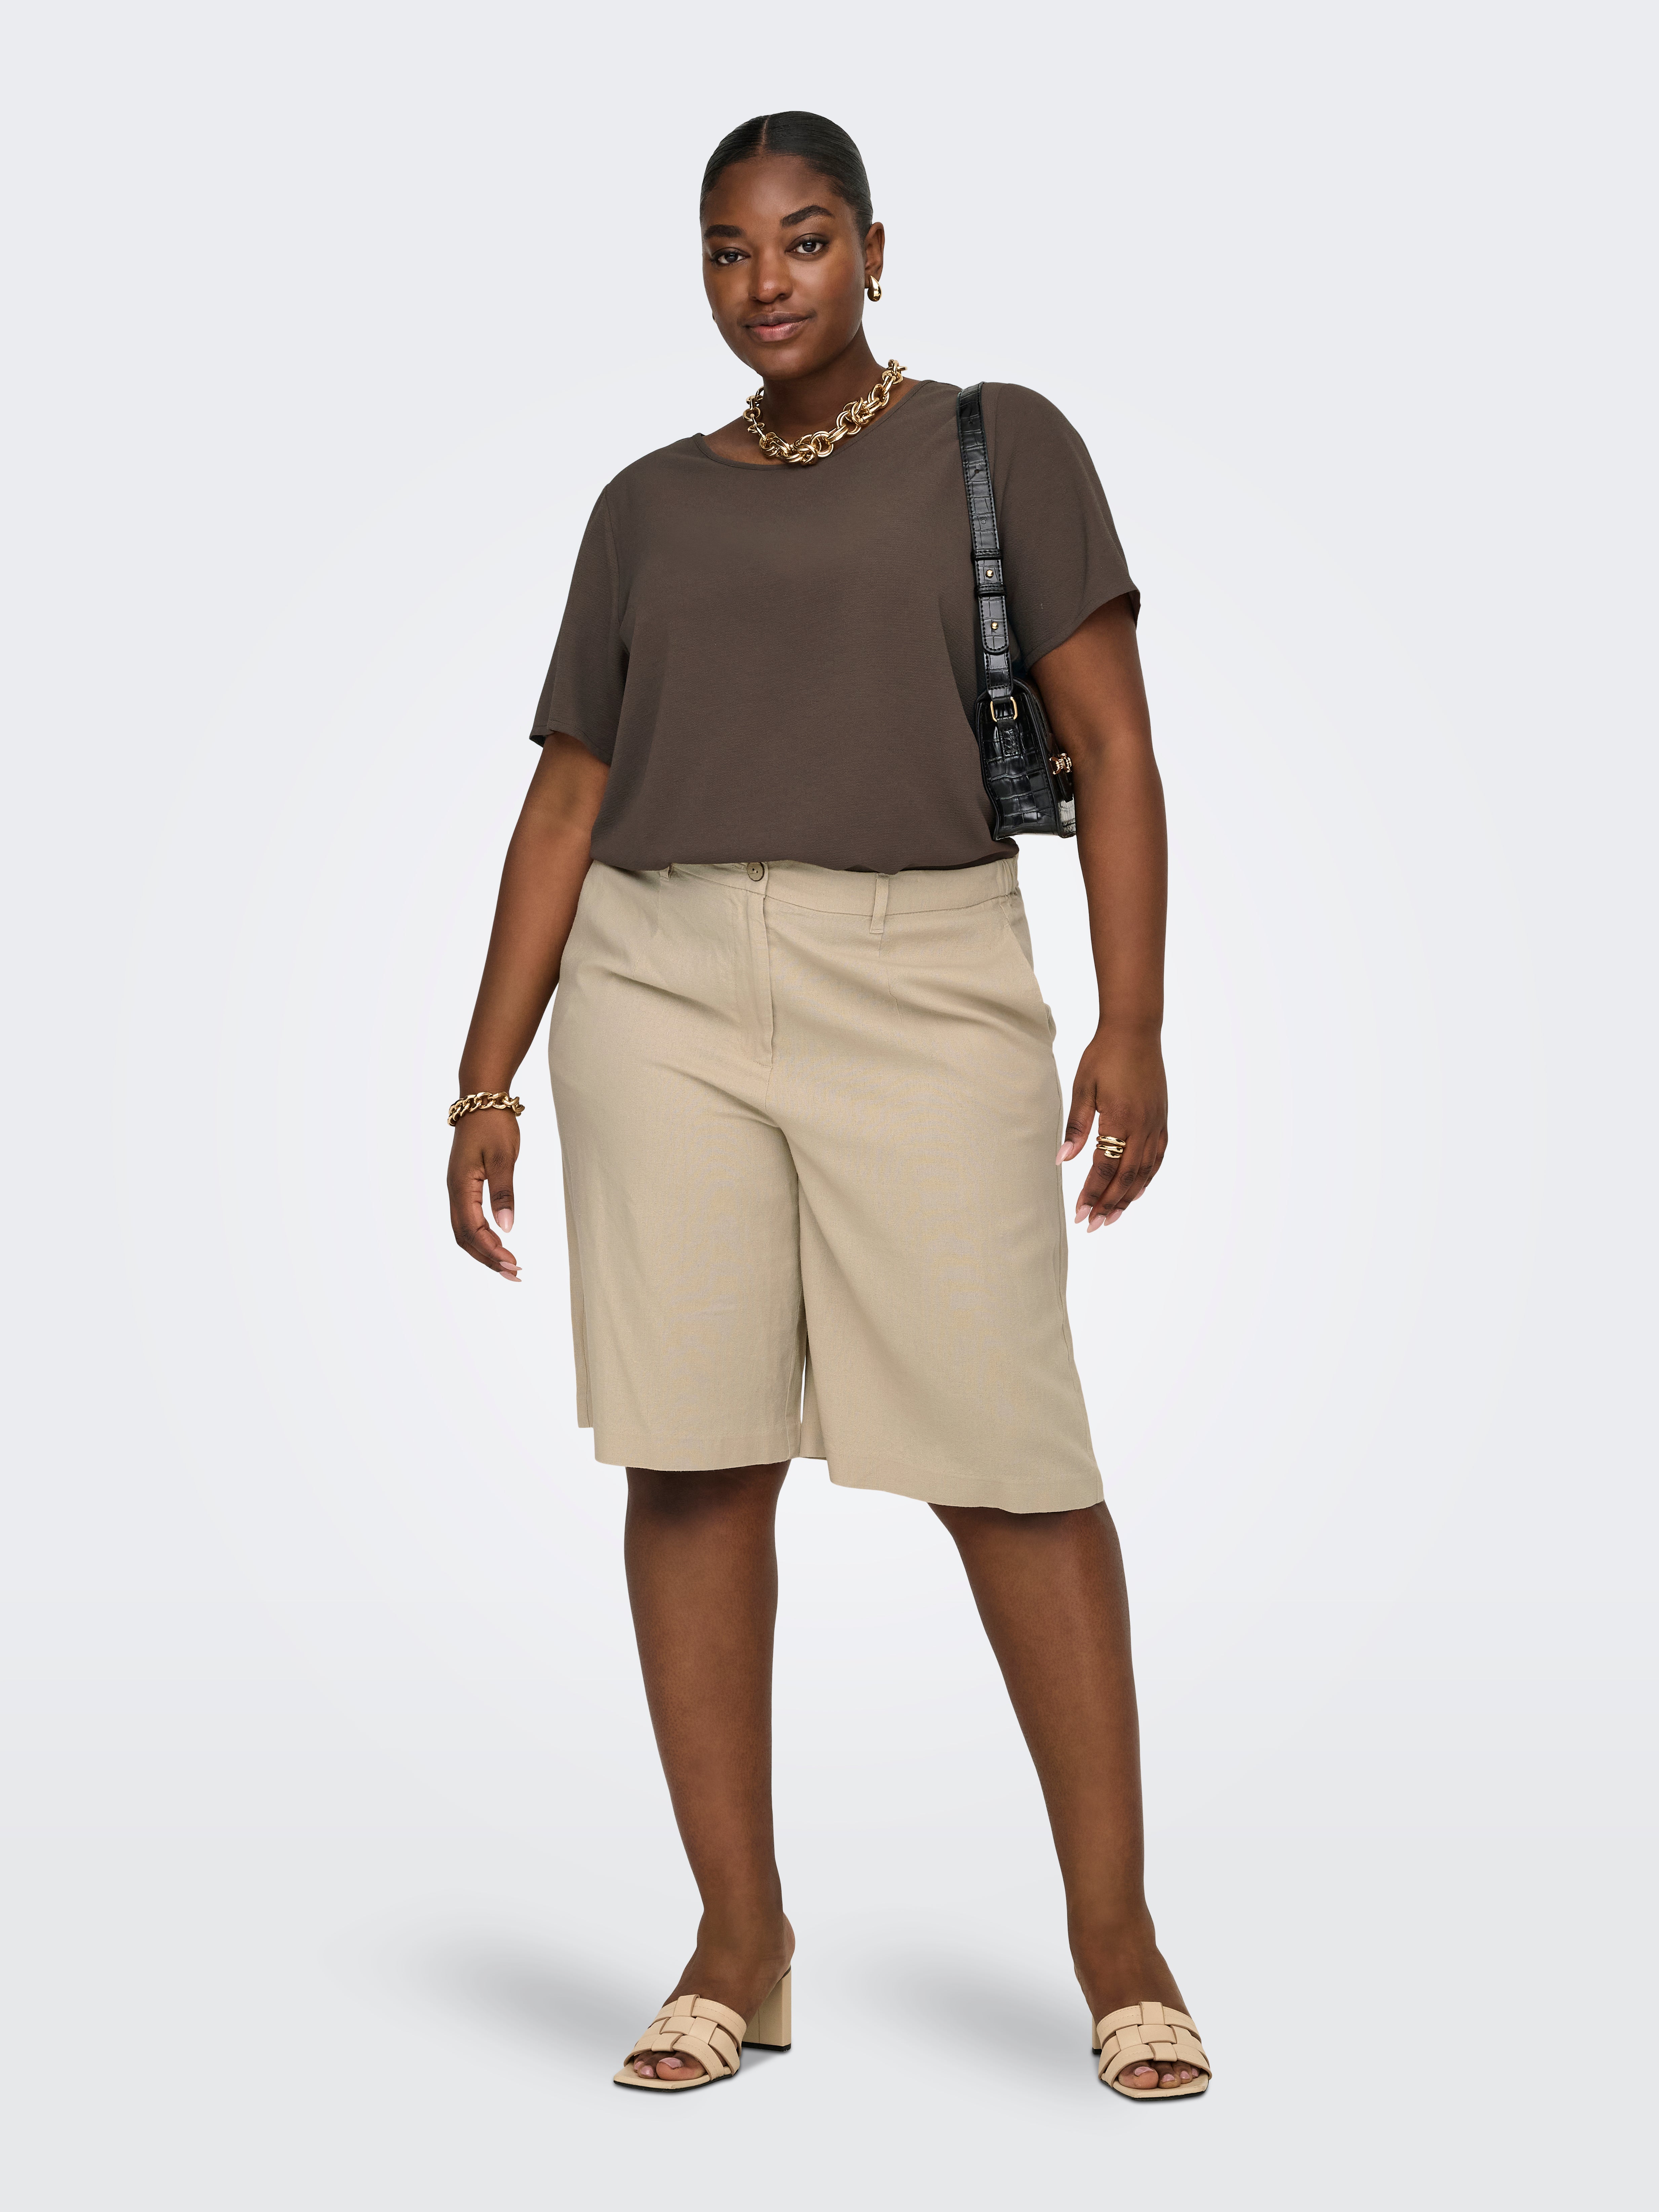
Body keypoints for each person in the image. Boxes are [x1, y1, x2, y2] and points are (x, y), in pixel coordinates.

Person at [446, 110, 1209, 2101]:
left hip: (923, 972)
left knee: (1010, 1455)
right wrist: (482, 1075)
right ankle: (739, 1941)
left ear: (874, 245)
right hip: (658, 985)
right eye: (727, 250)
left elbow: (1116, 746)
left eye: (801, 240)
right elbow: (569, 792)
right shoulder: (643, 505)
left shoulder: (998, 443)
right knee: (690, 1457)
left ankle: (1118, 1943)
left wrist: (1132, 1021)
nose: (765, 281)